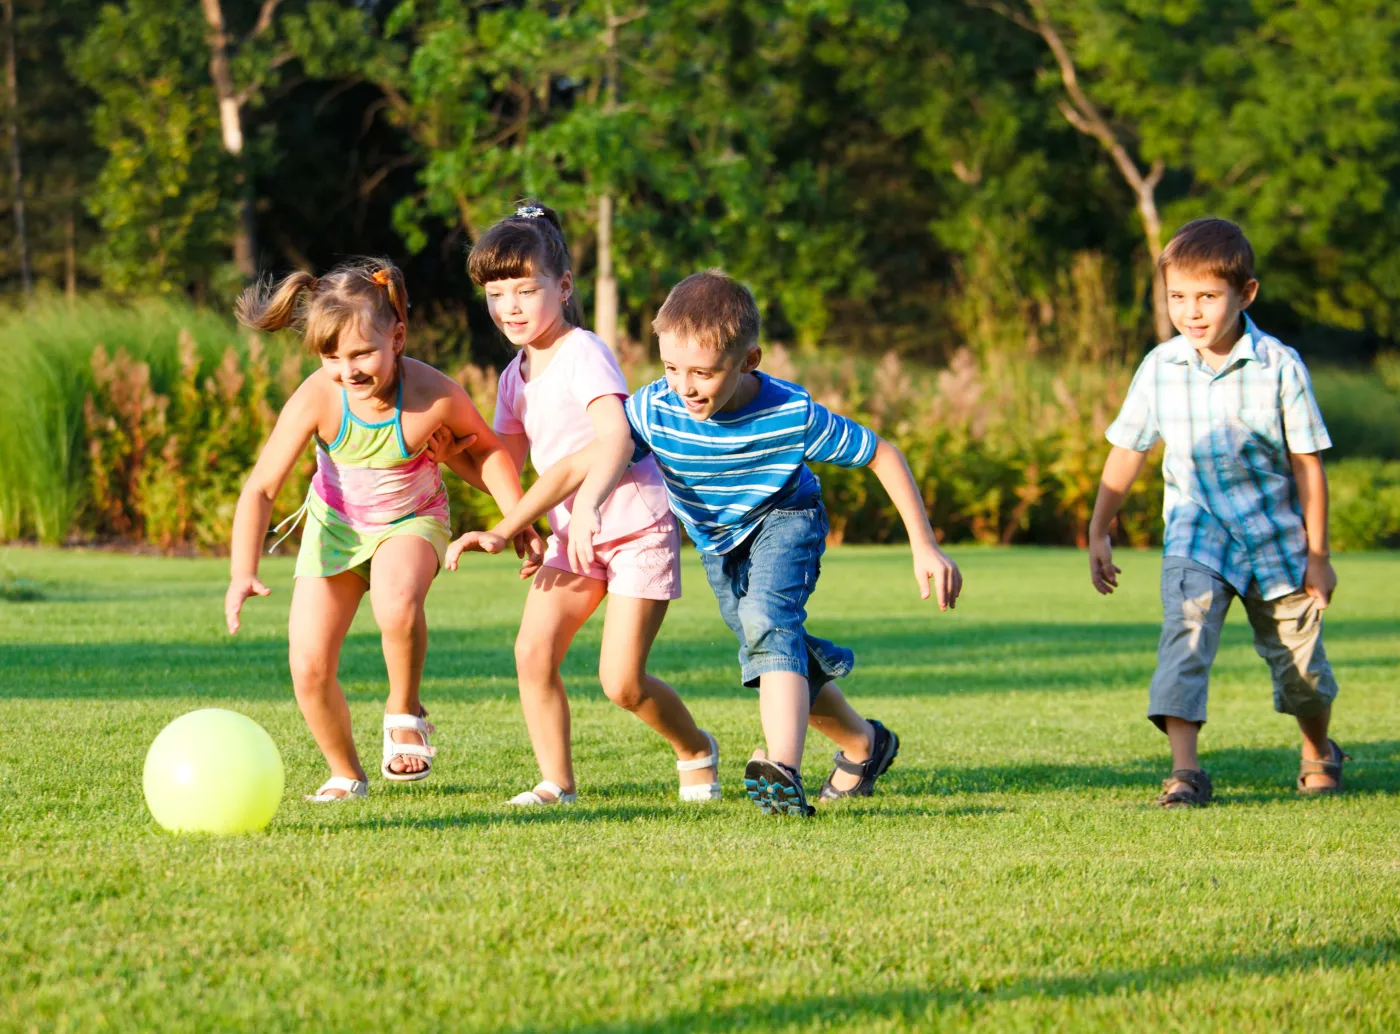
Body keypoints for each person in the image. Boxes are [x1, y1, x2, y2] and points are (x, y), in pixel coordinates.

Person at [452, 268, 962, 816]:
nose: (686, 387)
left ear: (749, 360)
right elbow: (579, 464)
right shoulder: (657, 408)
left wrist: (924, 545)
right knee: (772, 647)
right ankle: (864, 742)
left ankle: (782, 771)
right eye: (672, 368)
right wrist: (506, 527)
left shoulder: (790, 414)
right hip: (719, 542)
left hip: (786, 518)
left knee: (768, 623)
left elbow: (881, 453)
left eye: (703, 373)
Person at [224, 258, 533, 802]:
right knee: (308, 666)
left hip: (413, 520)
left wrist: (518, 521)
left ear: (397, 337)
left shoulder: (433, 393)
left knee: (396, 603)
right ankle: (346, 772)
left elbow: (488, 453)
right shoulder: (319, 396)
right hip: (336, 531)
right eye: (332, 357)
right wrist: (241, 571)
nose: (348, 371)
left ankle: (403, 709)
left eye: (362, 353)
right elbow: (261, 489)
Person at [447, 204, 720, 807]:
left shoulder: (583, 352)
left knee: (621, 683)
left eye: (526, 290)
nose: (510, 307)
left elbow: (616, 438)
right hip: (574, 536)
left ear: (564, 286)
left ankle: (696, 748)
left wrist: (589, 503)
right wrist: (445, 454)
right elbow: (503, 468)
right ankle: (557, 783)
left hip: (635, 526)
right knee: (532, 652)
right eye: (496, 294)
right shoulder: (513, 378)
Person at [1088, 217, 1344, 808]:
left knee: (1301, 670)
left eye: (1207, 296)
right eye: (1178, 296)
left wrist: (1319, 554)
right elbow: (1127, 450)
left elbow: (1307, 465)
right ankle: (1186, 772)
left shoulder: (1279, 365)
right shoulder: (1160, 366)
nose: (1191, 312)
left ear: (1245, 293)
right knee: (1184, 643)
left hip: (1276, 540)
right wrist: (1099, 528)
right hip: (1196, 534)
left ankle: (1318, 749)